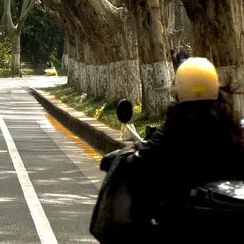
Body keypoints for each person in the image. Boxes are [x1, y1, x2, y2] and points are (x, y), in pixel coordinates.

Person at [92, 57, 244, 242]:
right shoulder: (231, 127)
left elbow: (142, 162)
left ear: (179, 91)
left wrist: (125, 158)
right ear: (215, 88)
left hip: (179, 227)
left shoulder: (174, 129)